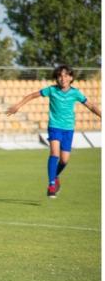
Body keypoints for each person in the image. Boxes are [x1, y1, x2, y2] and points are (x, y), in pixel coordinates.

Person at [7, 64, 101, 198]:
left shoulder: (76, 93)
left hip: (68, 129)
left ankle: (55, 176)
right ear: (56, 78)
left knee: (64, 160)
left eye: (65, 75)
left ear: (71, 78)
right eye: (59, 76)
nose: (62, 78)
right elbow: (32, 95)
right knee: (54, 153)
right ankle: (51, 184)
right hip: (54, 126)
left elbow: (90, 105)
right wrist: (18, 106)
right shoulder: (51, 90)